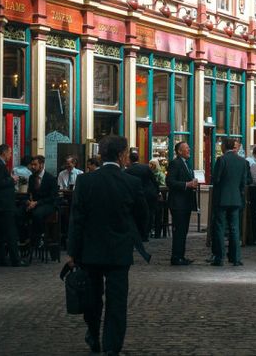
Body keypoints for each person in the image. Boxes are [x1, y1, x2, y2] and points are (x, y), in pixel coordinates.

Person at [67, 135, 148, 356]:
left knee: (92, 298)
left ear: (101, 155)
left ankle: (93, 333)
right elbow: (143, 216)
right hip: (119, 251)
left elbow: (76, 219)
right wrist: (133, 235)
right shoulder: (131, 182)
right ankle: (112, 347)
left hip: (90, 250)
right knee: (117, 302)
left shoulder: (85, 181)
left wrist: (72, 252)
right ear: (122, 155)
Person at [209, 138, 247, 266]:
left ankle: (219, 257)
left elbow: (216, 179)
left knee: (220, 227)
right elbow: (243, 182)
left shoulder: (222, 160)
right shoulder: (242, 161)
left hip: (222, 199)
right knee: (235, 228)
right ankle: (235, 257)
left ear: (224, 147)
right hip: (235, 199)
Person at [0, 144, 22, 267]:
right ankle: (15, 260)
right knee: (10, 232)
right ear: (4, 152)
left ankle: (1, 259)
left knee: (1, 233)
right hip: (3, 204)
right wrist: (12, 180)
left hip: (2, 204)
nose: (10, 155)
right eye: (9, 153)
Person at [165, 140, 198, 265]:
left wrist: (193, 183)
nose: (189, 150)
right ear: (179, 151)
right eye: (186, 148)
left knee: (183, 231)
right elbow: (170, 181)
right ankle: (176, 257)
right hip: (178, 203)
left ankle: (181, 255)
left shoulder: (187, 164)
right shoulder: (175, 163)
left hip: (186, 202)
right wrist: (186, 184)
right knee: (179, 231)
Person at [21, 155, 58, 247]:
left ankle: (39, 237)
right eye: (32, 164)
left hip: (47, 204)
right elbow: (28, 193)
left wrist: (36, 203)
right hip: (34, 204)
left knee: (37, 214)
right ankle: (24, 238)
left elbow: (52, 197)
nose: (32, 167)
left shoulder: (51, 178)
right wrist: (27, 201)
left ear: (41, 165)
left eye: (35, 165)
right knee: (18, 212)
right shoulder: (32, 177)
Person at [124, 148, 159, 239]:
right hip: (149, 194)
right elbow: (154, 180)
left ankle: (139, 233)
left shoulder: (128, 170)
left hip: (137, 195)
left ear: (130, 160)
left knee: (138, 214)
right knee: (149, 214)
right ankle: (146, 233)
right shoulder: (146, 167)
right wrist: (157, 191)